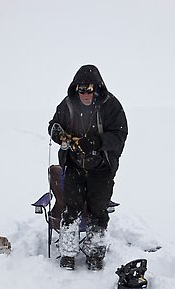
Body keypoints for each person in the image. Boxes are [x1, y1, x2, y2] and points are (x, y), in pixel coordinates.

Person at [48, 64, 128, 270]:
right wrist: (58, 134)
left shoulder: (111, 106)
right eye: (81, 89)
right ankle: (67, 254)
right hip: (75, 164)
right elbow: (54, 125)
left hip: (101, 167)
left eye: (89, 89)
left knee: (97, 211)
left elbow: (119, 135)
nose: (85, 94)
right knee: (71, 209)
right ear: (76, 89)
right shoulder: (67, 105)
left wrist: (95, 142)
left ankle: (95, 254)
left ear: (97, 88)